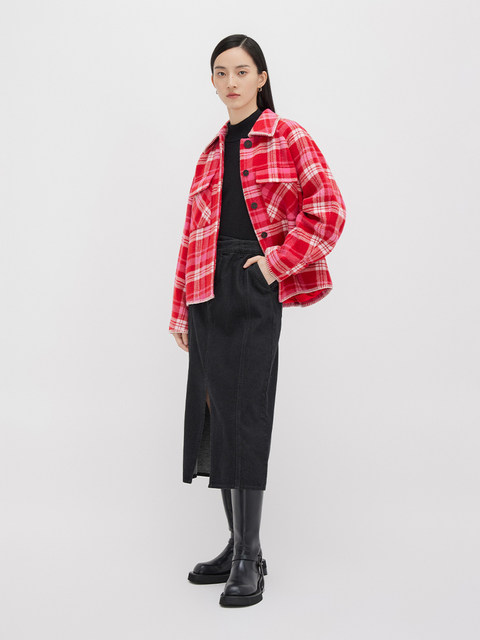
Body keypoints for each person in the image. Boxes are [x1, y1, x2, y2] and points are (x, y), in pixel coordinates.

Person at [168, 34, 346, 607]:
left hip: (251, 281)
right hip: (206, 287)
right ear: (212, 81)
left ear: (261, 77)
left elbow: (328, 209)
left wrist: (274, 264)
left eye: (242, 71)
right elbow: (191, 236)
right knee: (219, 414)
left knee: (246, 413)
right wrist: (181, 310)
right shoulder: (210, 152)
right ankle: (237, 545)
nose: (231, 82)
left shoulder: (288, 135)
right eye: (221, 72)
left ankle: (251, 558)